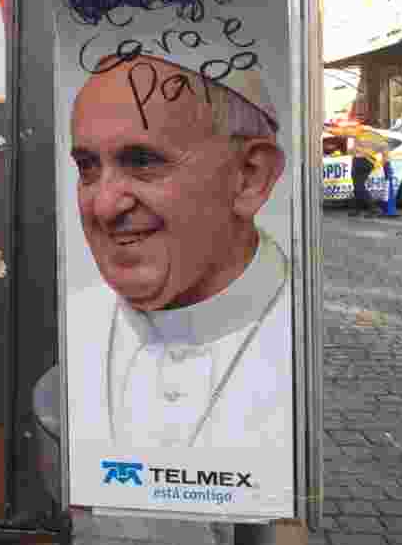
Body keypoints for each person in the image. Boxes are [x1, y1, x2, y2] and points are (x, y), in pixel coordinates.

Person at [61, 53, 290, 451]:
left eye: (143, 161)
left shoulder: (309, 342)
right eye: (87, 167)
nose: (103, 206)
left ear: (249, 177)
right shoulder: (68, 327)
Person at [348, 122, 390, 218]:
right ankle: (358, 209)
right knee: (358, 186)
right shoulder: (375, 135)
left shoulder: (359, 132)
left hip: (361, 161)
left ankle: (373, 209)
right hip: (367, 161)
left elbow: (352, 148)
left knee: (359, 186)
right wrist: (384, 161)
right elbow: (384, 148)